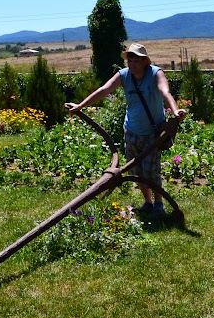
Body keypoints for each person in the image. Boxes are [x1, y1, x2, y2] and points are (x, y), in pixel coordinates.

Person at [65, 43, 186, 213]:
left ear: (145, 62)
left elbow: (165, 92)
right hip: (131, 131)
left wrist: (175, 110)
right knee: (137, 171)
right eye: (130, 60)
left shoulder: (155, 73)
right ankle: (148, 202)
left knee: (151, 171)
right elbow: (104, 89)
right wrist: (80, 106)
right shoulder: (123, 76)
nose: (132, 64)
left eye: (136, 61)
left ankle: (159, 202)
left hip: (153, 132)